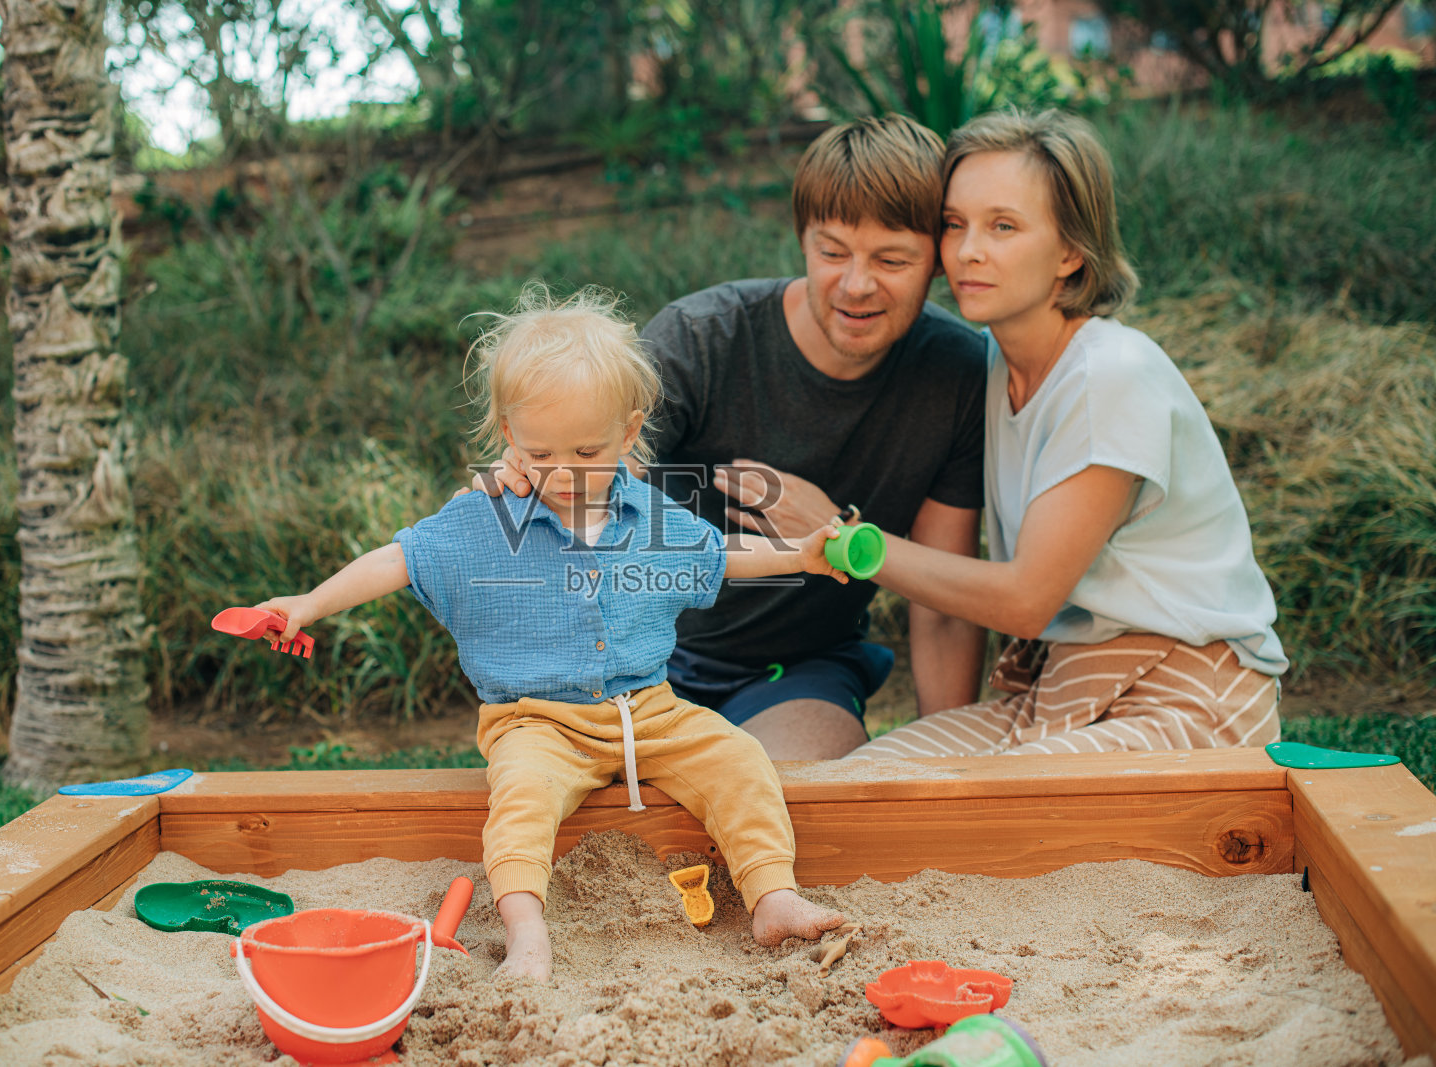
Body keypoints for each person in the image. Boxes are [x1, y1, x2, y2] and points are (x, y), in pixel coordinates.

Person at [254, 285, 848, 982]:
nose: (563, 472)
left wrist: (801, 553)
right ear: (509, 436)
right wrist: (309, 603)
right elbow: (400, 559)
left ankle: (772, 896)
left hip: (649, 710)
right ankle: (526, 933)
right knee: (522, 796)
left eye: (587, 450)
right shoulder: (485, 518)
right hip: (535, 718)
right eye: (539, 452)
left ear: (628, 433)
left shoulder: (648, 513)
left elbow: (719, 554)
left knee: (739, 759)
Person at [480, 115, 991, 759]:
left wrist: (953, 770)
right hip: (640, 658)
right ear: (802, 239)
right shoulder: (700, 339)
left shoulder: (956, 373)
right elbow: (580, 496)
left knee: (800, 781)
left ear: (938, 260)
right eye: (832, 253)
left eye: (892, 260)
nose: (857, 285)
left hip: (796, 673)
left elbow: (943, 602)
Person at [846, 109, 1286, 762]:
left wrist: (853, 544)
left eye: (1003, 226)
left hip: (1190, 696)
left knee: (989, 802)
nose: (968, 251)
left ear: (1070, 251)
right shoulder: (991, 366)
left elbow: (1026, 600)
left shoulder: (1111, 376)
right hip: (1060, 693)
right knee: (870, 778)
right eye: (955, 224)